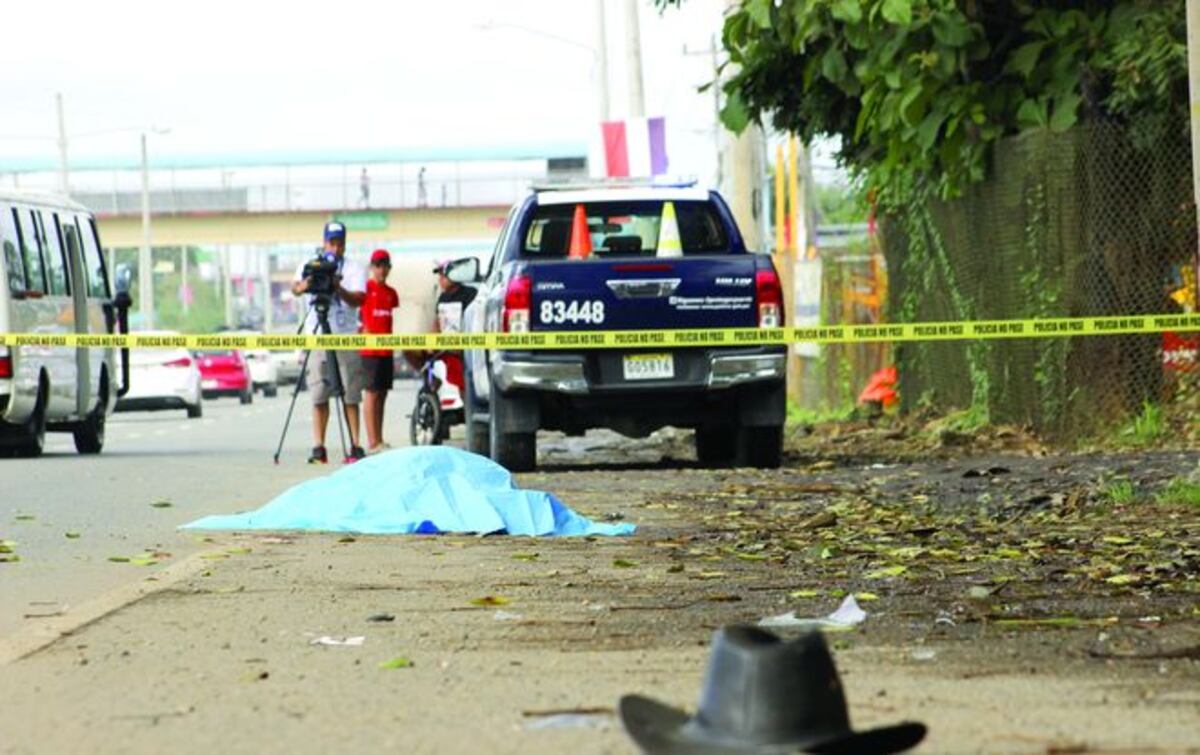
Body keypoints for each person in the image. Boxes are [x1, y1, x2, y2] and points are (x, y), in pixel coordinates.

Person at [291, 221, 367, 464]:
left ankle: (355, 445)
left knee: (350, 393)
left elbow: (359, 299)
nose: (335, 248)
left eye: (339, 243)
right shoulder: (309, 264)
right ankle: (318, 447)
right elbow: (295, 288)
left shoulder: (353, 268)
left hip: (344, 336)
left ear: (345, 244)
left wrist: (338, 287)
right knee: (318, 393)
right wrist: (304, 285)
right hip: (317, 336)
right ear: (324, 242)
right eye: (331, 242)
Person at [359, 249, 399, 454]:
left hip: (386, 350)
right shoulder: (364, 289)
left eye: (385, 266)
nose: (381, 270)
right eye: (378, 265)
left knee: (382, 394)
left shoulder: (392, 294)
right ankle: (372, 441)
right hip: (370, 351)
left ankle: (379, 438)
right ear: (372, 268)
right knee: (371, 394)